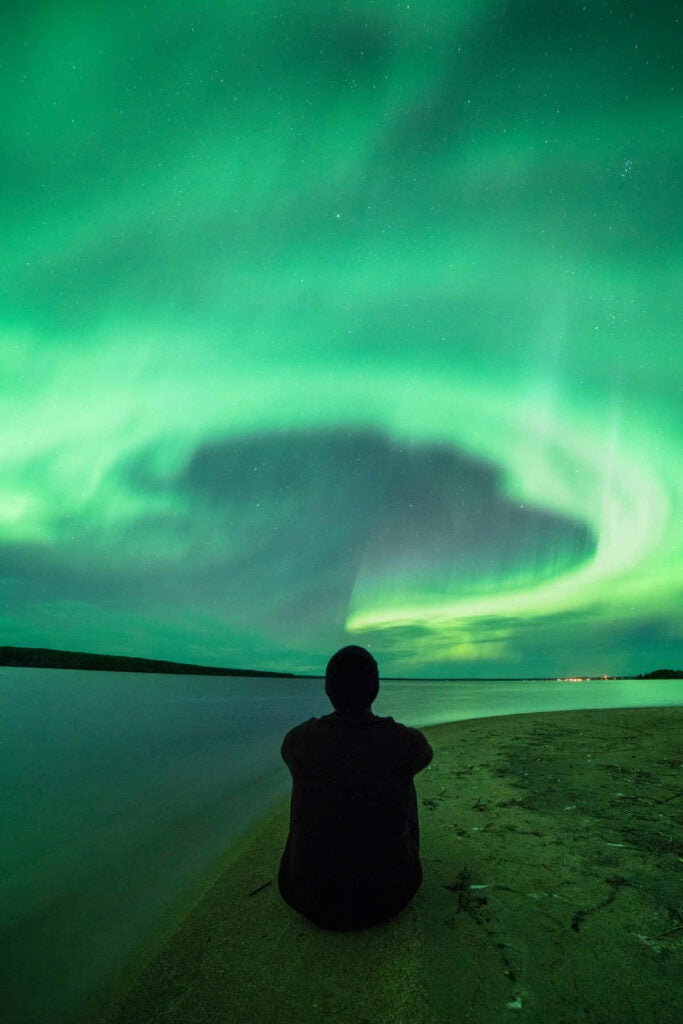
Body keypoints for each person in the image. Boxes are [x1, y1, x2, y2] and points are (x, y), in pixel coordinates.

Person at [277, 645, 433, 931]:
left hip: (305, 896)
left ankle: (316, 860)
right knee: (403, 778)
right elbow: (425, 754)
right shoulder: (404, 742)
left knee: (312, 778)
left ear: (328, 689)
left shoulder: (299, 740)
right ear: (375, 688)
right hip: (391, 896)